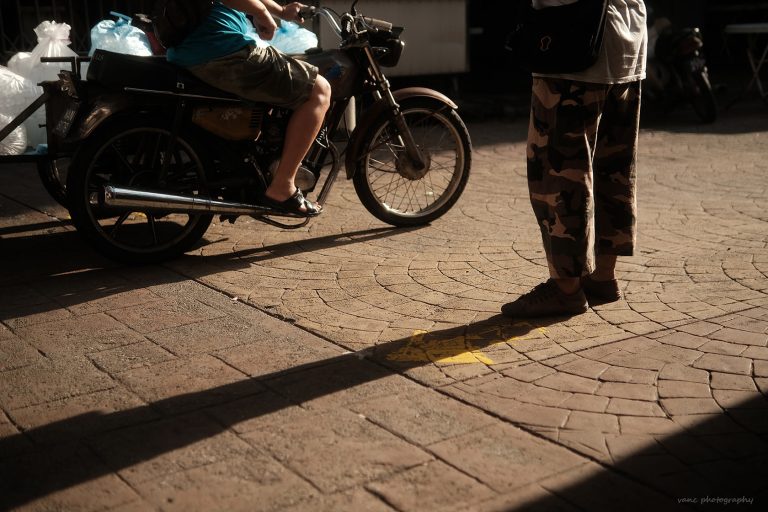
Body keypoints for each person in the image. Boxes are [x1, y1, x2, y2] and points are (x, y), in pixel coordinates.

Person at [502, 0, 647, 318]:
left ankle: (566, 289)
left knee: (558, 174)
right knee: (615, 170)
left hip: (572, 46)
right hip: (628, 40)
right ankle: (603, 278)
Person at [166, 0, 331, 216]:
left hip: (200, 48)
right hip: (220, 51)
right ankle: (283, 185)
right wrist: (261, 12)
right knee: (319, 90)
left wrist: (280, 11)